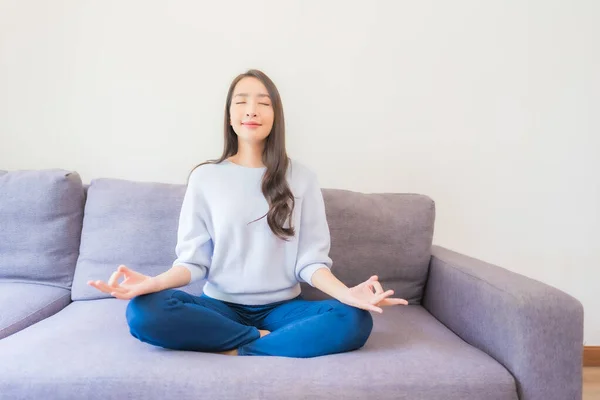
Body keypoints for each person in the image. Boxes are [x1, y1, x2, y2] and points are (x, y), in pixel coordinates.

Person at [88, 69, 408, 358]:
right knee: (144, 311)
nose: (251, 110)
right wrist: (153, 283)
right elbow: (192, 262)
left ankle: (238, 346)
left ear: (275, 116)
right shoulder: (205, 178)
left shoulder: (303, 178)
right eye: (241, 102)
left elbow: (310, 262)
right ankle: (268, 342)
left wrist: (348, 293)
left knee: (353, 319)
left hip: (283, 308)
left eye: (263, 103)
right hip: (219, 306)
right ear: (229, 116)